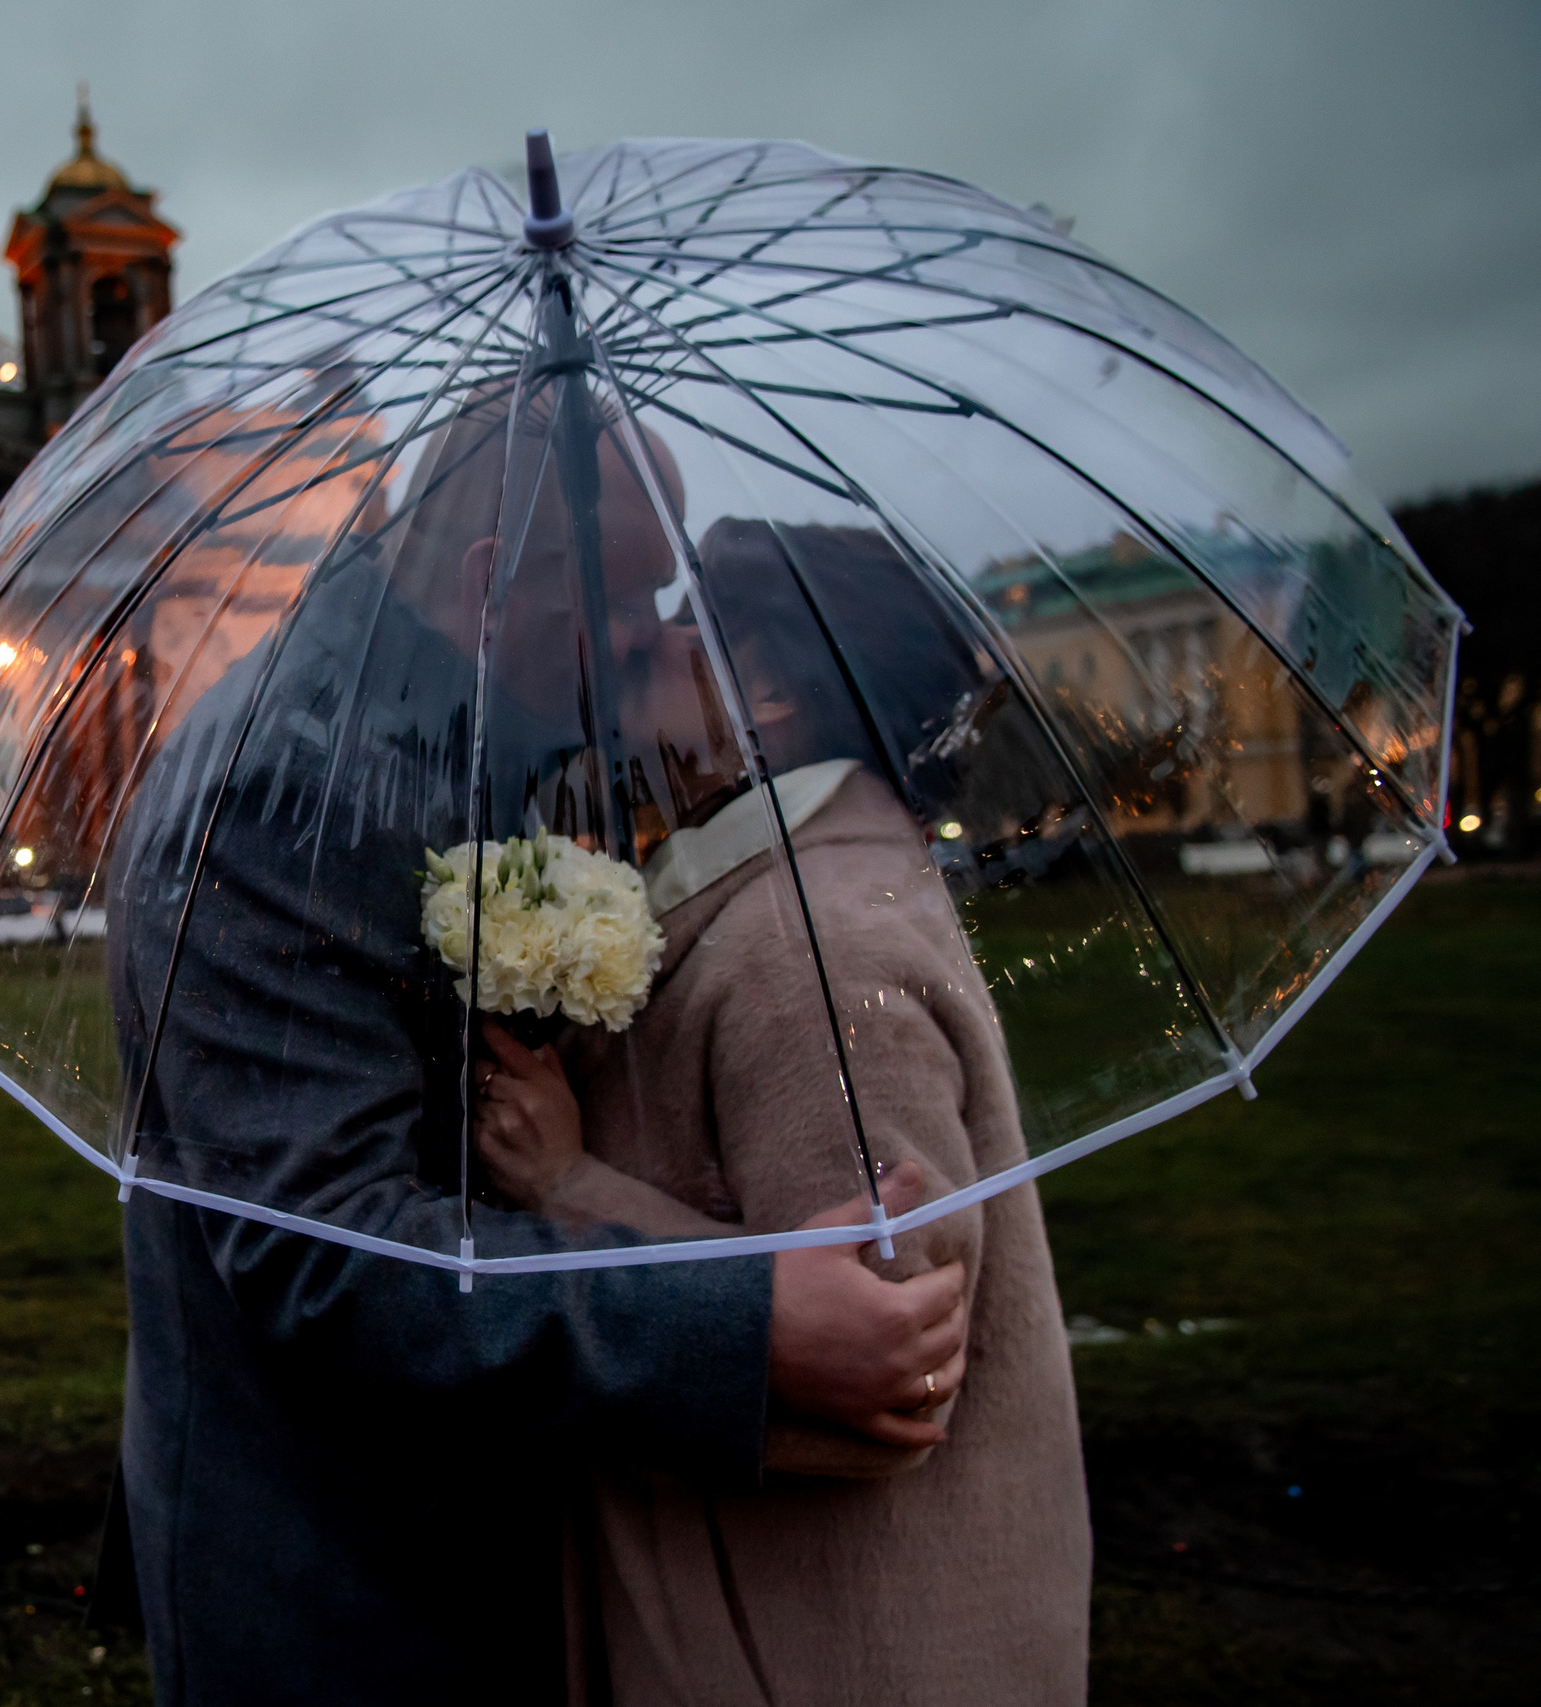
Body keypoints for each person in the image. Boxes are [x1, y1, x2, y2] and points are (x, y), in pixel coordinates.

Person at [103, 386, 974, 1706]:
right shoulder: (281, 790)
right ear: (492, 577)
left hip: (478, 1532)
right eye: (626, 600)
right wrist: (749, 1326)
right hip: (347, 1583)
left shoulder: (458, 713)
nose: (650, 640)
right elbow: (331, 1254)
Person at [471, 519, 1093, 1705]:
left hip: (821, 1647)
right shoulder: (795, 895)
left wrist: (566, 1188)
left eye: (677, 619)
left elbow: (884, 1381)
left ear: (759, 686)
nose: (638, 639)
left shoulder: (806, 952)